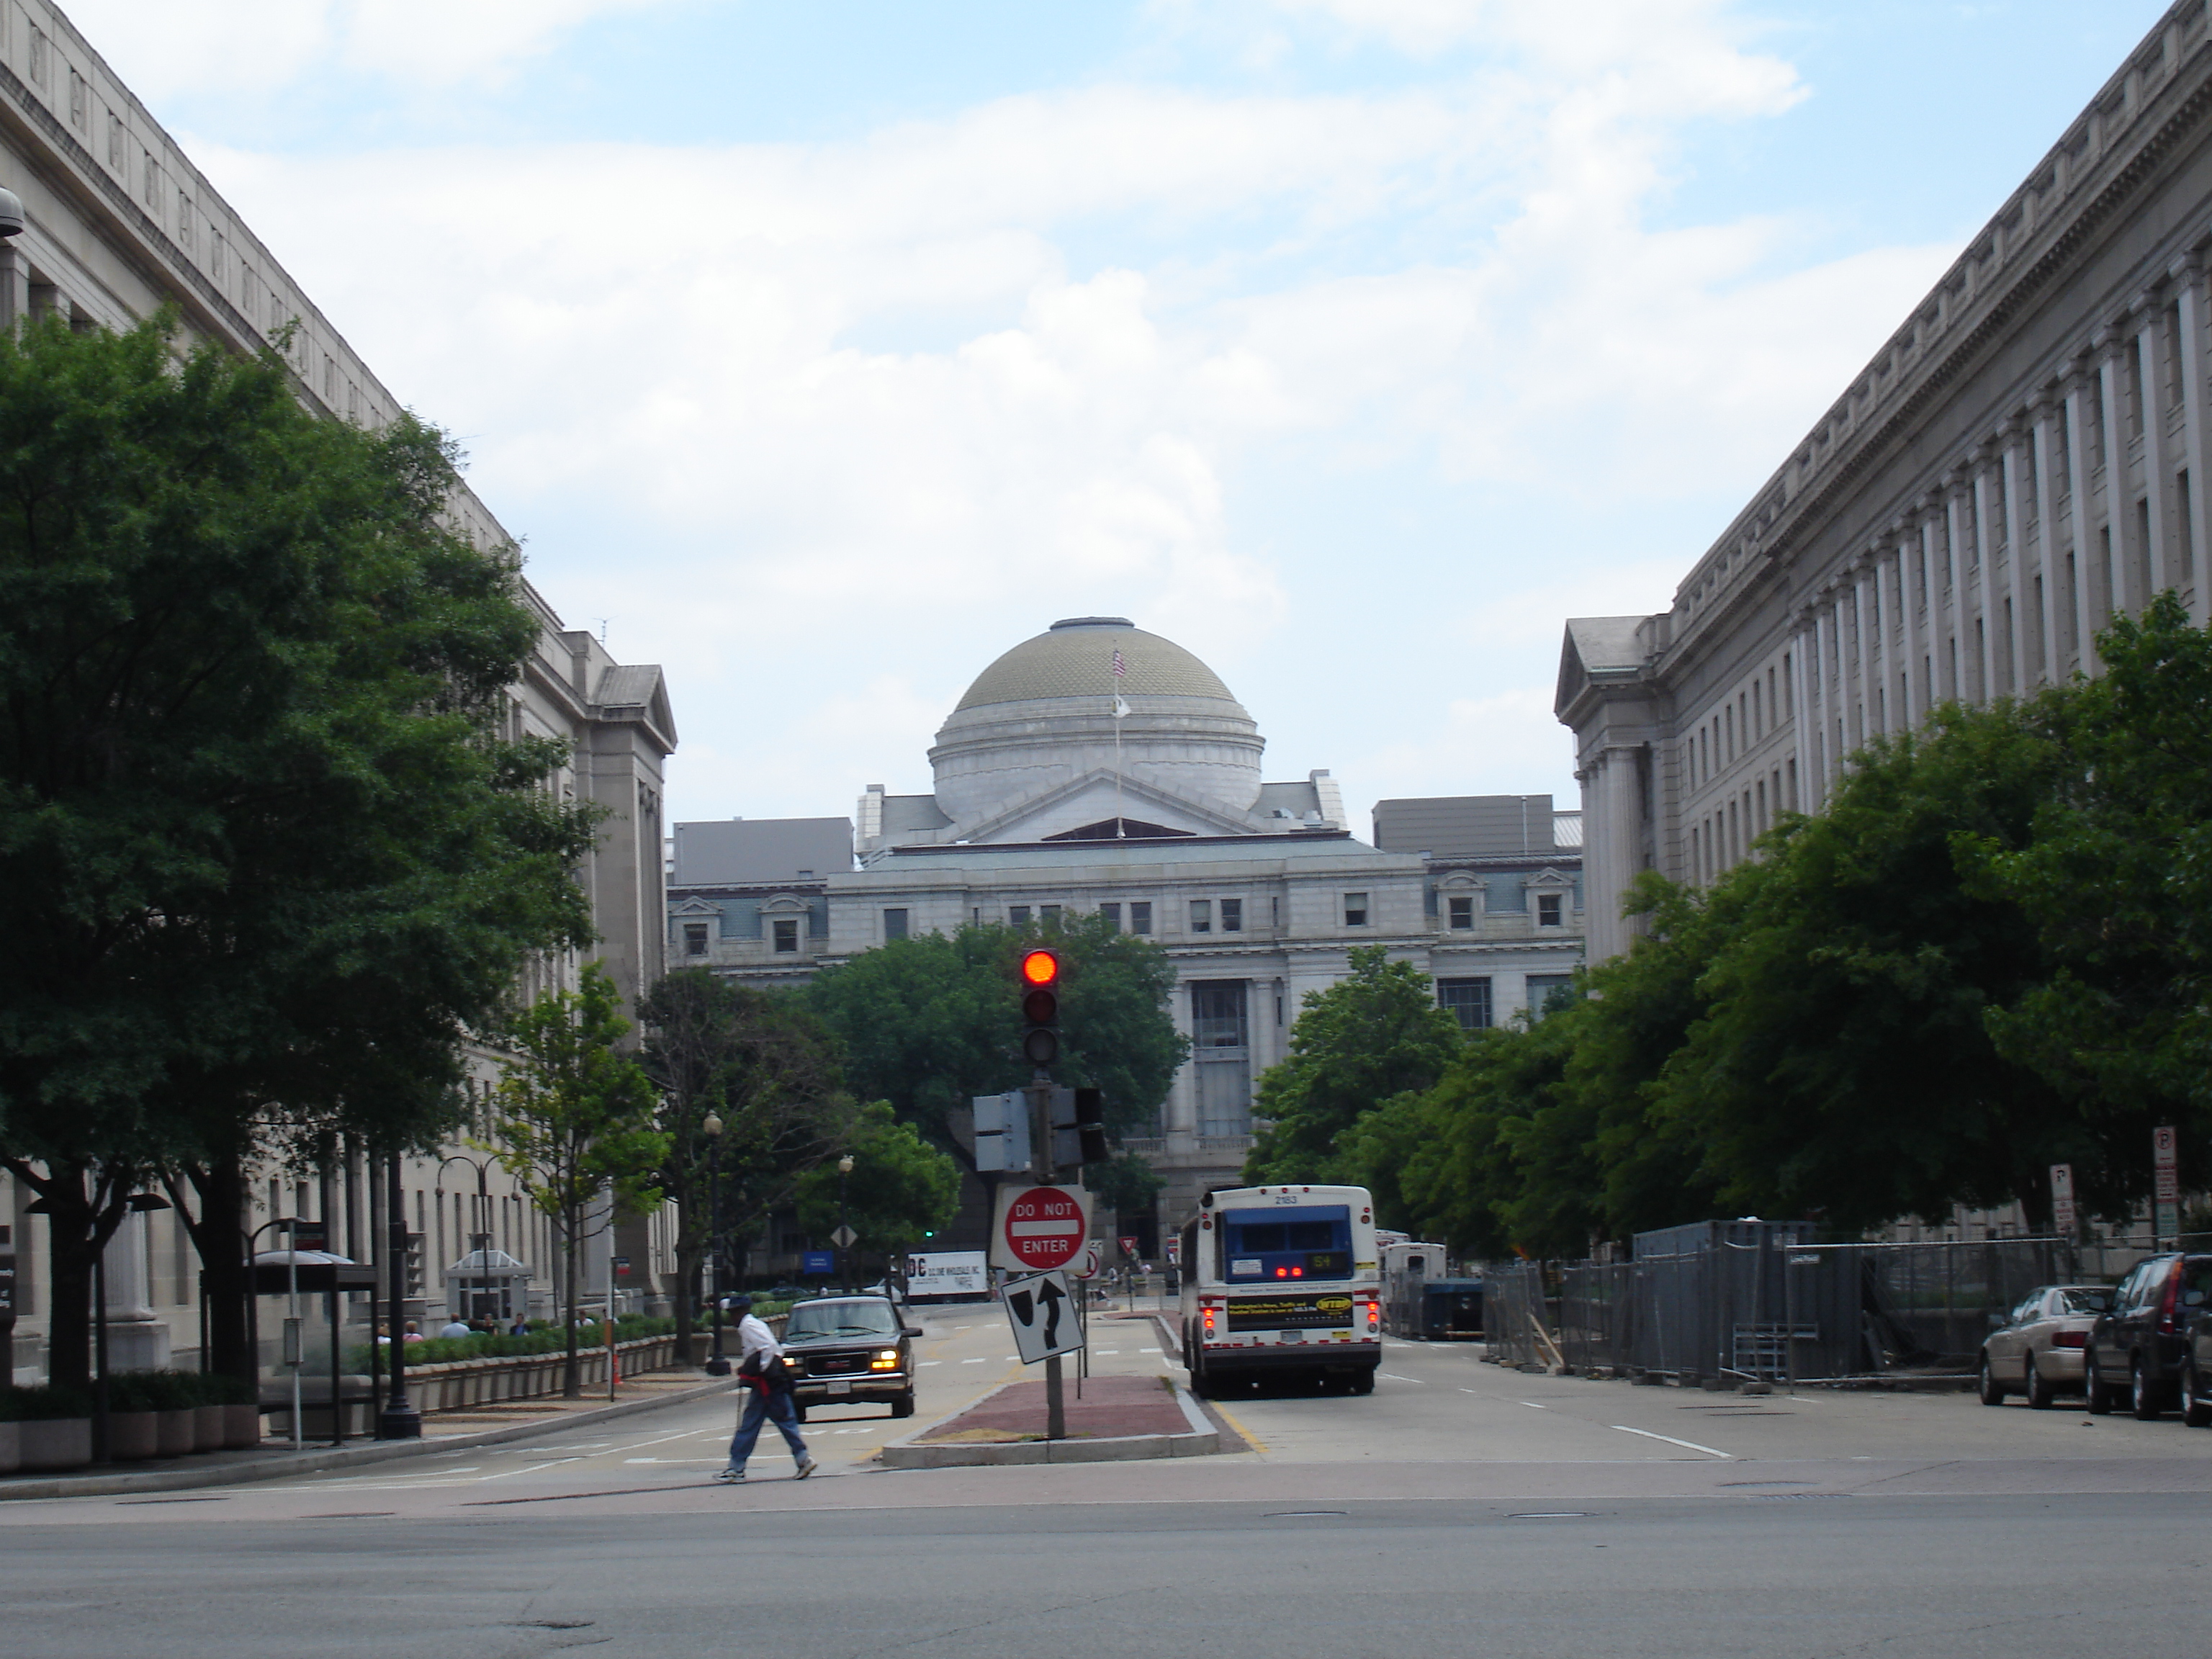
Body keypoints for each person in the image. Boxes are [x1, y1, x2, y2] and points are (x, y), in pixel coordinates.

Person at [718, 1294, 815, 1483]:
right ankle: (802, 1459)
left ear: (739, 1312)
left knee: (753, 1424)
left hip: (767, 1383)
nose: (731, 1318)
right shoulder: (754, 1324)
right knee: (780, 1421)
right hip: (770, 1382)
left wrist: (759, 1369)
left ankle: (736, 1468)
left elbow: (768, 1347)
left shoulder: (748, 1326)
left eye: (732, 1313)